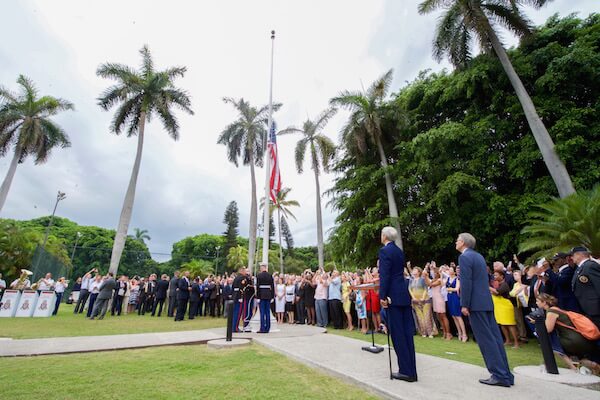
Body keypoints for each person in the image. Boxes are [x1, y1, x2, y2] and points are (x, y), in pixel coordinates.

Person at [456, 232, 514, 387]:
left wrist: (465, 304)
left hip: (475, 303)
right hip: (486, 302)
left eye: (457, 240)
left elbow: (466, 282)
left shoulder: (464, 257)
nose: (456, 242)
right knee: (495, 338)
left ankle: (499, 375)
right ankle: (506, 374)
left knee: (486, 340)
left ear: (463, 242)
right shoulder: (478, 256)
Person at [379, 226, 417, 382]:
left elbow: (385, 275)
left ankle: (405, 371)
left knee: (398, 334)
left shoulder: (385, 251)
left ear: (385, 236)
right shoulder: (399, 251)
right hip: (403, 293)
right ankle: (411, 370)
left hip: (393, 295)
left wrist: (382, 295)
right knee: (407, 334)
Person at [536, 293, 600, 374]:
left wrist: (536, 323)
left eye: (537, 301)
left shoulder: (551, 311)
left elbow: (547, 330)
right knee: (580, 358)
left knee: (552, 345)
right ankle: (592, 365)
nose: (536, 303)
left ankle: (572, 367)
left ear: (544, 302)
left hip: (573, 341)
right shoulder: (557, 309)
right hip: (582, 340)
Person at [570, 246, 600, 328]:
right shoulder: (580, 268)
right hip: (588, 308)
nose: (571, 258)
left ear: (579, 255)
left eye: (573, 255)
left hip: (595, 308)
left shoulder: (590, 266)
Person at [490, 271, 519, 348]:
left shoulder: (504, 284)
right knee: (502, 324)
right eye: (494, 275)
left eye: (496, 275)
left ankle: (516, 342)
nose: (494, 277)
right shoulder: (498, 284)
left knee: (510, 324)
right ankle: (508, 340)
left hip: (506, 306)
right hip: (499, 307)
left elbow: (497, 292)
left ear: (502, 276)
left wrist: (489, 288)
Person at [408, 267, 436, 338]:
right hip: (415, 301)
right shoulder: (411, 280)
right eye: (413, 270)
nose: (414, 271)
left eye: (415, 270)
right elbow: (410, 289)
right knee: (420, 317)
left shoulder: (422, 279)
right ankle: (423, 332)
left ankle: (430, 332)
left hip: (425, 300)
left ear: (419, 272)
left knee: (427, 316)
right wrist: (413, 297)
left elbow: (425, 289)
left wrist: (423, 298)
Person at [446, 265, 467, 342]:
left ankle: (464, 334)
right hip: (449, 297)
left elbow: (457, 288)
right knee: (453, 316)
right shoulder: (448, 278)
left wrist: (450, 289)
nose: (450, 271)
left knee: (458, 316)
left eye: (451, 270)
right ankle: (459, 332)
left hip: (455, 297)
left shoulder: (457, 279)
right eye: (449, 270)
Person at [256, 262, 275, 333]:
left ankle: (262, 328)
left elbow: (258, 287)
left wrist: (258, 297)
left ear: (262, 267)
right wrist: (272, 296)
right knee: (267, 312)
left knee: (262, 312)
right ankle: (267, 328)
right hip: (268, 295)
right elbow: (272, 287)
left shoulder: (259, 275)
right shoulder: (270, 275)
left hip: (261, 295)